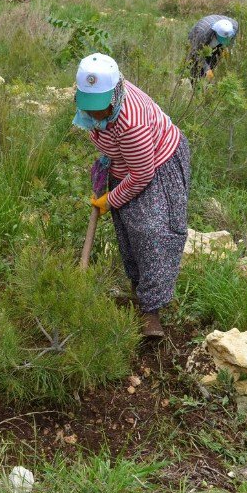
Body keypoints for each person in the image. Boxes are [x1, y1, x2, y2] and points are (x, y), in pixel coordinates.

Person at [74, 53, 189, 338]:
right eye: (89, 106)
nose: (95, 114)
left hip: (157, 165)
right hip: (128, 162)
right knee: (128, 231)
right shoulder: (93, 98)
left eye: (100, 108)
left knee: (152, 233)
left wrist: (109, 199)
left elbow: (142, 175)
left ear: (115, 93)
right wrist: (107, 161)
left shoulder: (131, 123)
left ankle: (152, 310)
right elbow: (102, 130)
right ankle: (139, 289)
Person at [187, 14, 238, 79]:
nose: (226, 39)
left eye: (228, 38)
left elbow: (232, 40)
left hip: (214, 39)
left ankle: (208, 79)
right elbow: (196, 52)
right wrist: (207, 69)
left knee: (213, 61)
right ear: (216, 33)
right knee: (196, 66)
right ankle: (195, 82)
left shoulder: (235, 26)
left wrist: (228, 49)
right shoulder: (202, 33)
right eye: (223, 38)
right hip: (198, 40)